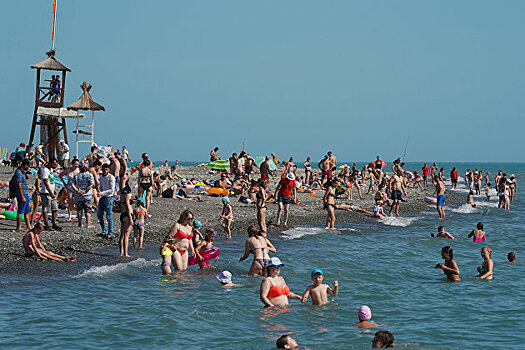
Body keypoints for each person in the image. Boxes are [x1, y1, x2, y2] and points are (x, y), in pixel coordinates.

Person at [40, 158, 62, 231]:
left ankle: (54, 223)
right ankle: (46, 224)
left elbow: (51, 181)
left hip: (51, 191)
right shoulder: (45, 170)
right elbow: (46, 182)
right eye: (54, 164)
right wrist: (50, 192)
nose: (55, 166)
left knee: (55, 208)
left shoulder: (51, 170)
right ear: (50, 163)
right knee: (46, 209)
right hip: (46, 192)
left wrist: (54, 190)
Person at [72, 163, 95, 228]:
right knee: (88, 210)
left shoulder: (76, 175)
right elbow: (91, 185)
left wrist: (78, 191)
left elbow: (73, 185)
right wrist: (85, 191)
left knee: (79, 210)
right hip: (87, 195)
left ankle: (79, 224)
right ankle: (88, 224)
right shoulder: (89, 175)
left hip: (78, 195)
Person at [97, 164, 115, 238]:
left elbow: (112, 190)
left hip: (109, 198)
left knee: (109, 215)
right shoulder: (101, 177)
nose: (105, 171)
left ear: (109, 170)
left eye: (106, 169)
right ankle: (104, 230)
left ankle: (110, 233)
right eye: (104, 169)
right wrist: (99, 192)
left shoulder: (111, 177)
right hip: (103, 197)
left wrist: (101, 193)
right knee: (99, 214)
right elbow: (101, 187)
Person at [13, 159, 32, 231]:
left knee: (27, 210)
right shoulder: (18, 172)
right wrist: (22, 196)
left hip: (25, 193)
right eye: (28, 165)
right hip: (21, 194)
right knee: (21, 210)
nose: (29, 167)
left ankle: (28, 226)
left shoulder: (23, 172)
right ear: (25, 165)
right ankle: (19, 227)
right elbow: (19, 185)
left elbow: (23, 182)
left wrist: (27, 176)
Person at [119, 181, 133, 257]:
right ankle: (126, 253)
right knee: (126, 235)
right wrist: (131, 218)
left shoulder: (121, 194)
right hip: (127, 215)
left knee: (122, 235)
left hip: (122, 214)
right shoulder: (127, 195)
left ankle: (121, 253)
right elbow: (128, 206)